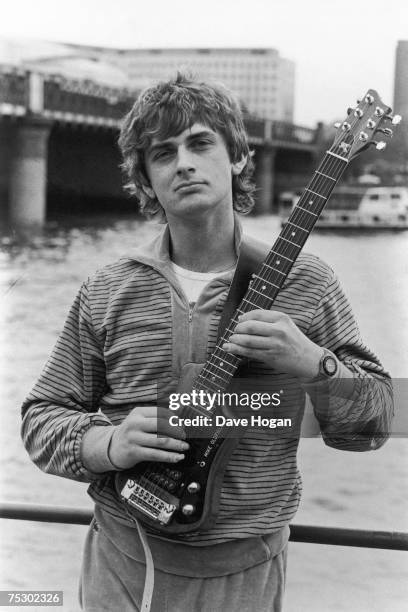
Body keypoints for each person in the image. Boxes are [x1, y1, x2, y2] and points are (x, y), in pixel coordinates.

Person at [21, 73, 393, 612]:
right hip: (123, 560)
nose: (185, 163)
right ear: (146, 181)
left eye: (200, 144)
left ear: (239, 156)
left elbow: (379, 424)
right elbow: (41, 417)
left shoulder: (308, 282)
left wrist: (316, 363)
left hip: (245, 574)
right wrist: (107, 444)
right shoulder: (107, 289)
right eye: (163, 153)